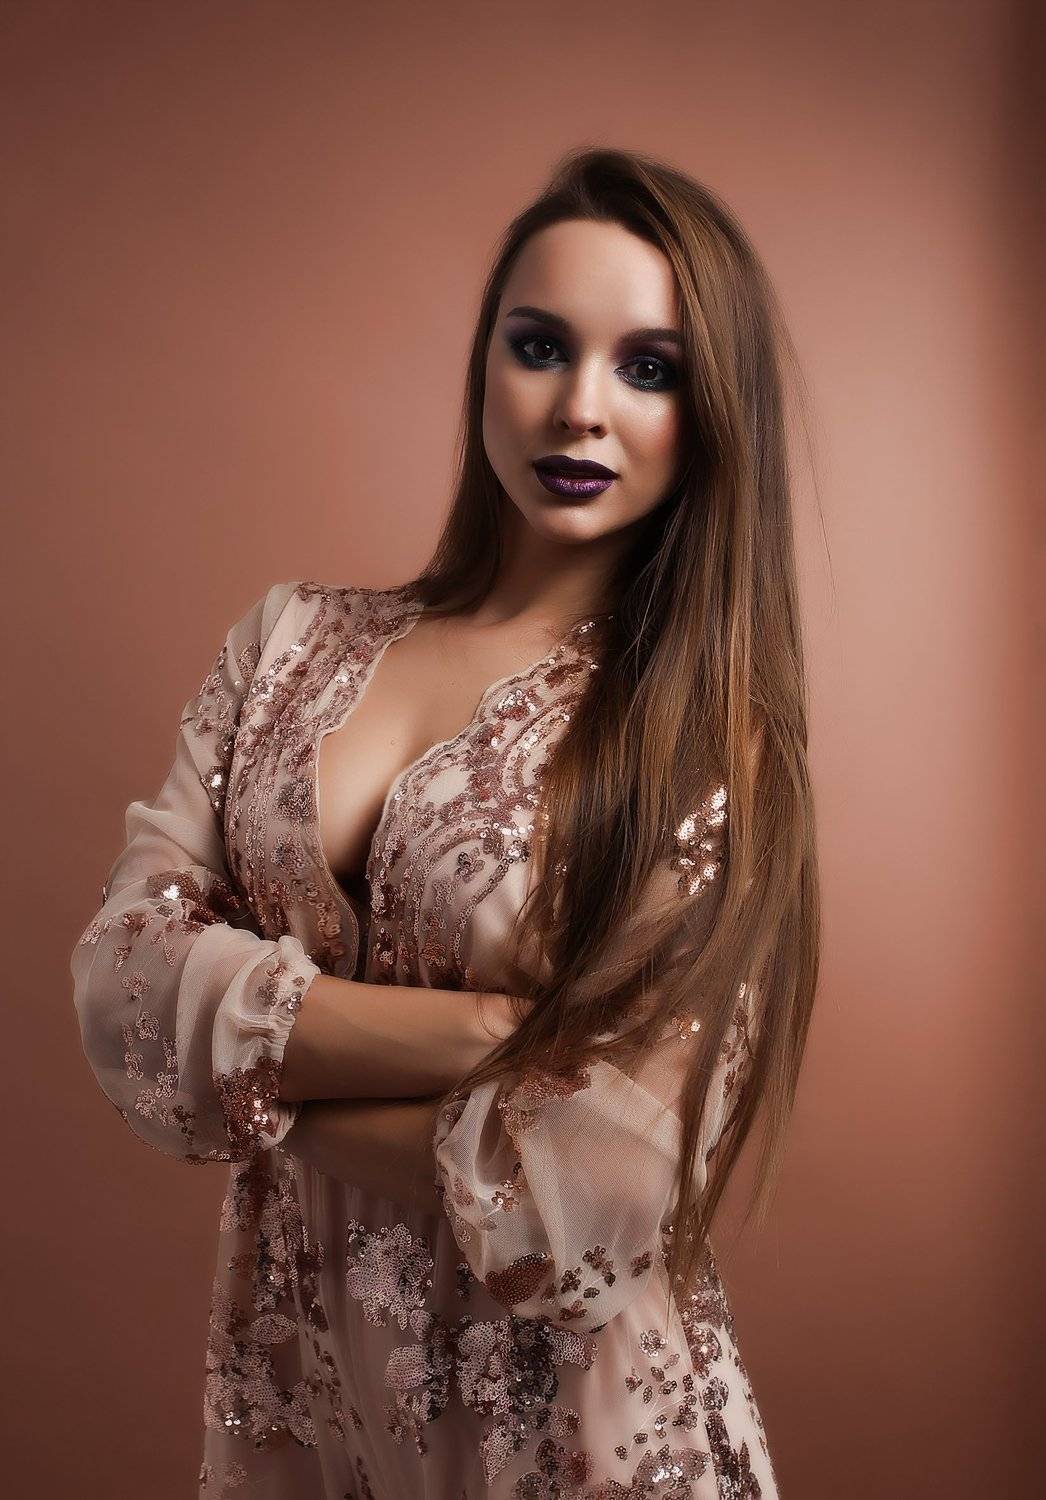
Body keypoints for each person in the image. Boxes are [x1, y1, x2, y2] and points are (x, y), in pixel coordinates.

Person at [71, 146, 818, 1499]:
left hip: (590, 1443)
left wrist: (242, 1084)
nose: (579, 407)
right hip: (312, 1410)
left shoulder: (705, 743)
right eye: (540, 346)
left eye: (648, 368)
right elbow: (122, 983)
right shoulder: (287, 643)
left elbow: (597, 1185)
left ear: (711, 411)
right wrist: (487, 1038)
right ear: (484, 364)